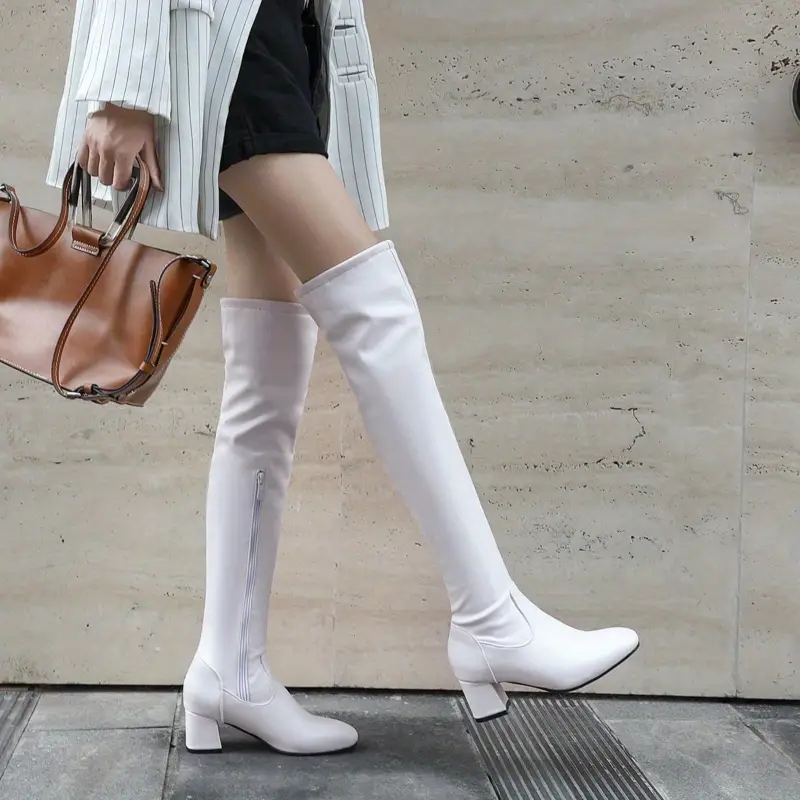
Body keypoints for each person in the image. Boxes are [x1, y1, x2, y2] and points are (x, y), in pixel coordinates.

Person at [48, 0, 640, 756]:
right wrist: (119, 89)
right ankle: (491, 619)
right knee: (375, 309)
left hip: (281, 31)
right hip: (227, 33)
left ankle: (230, 667)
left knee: (268, 367)